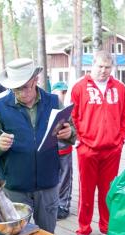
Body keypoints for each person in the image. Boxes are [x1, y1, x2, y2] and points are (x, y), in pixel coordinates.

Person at [0, 58, 76, 233]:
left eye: (25, 86)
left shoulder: (54, 101)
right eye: (16, 89)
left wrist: (69, 134)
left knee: (46, 233)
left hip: (48, 185)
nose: (21, 93)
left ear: (35, 80)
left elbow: (71, 131)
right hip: (14, 186)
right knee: (15, 234)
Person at [71, 50, 125, 235]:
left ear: (112, 68)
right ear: (92, 65)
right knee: (86, 192)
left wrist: (121, 138)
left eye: (107, 67)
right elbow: (71, 116)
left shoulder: (120, 88)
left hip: (112, 150)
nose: (103, 71)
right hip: (87, 149)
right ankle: (83, 229)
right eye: (100, 66)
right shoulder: (79, 87)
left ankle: (106, 227)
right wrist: (78, 140)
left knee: (108, 192)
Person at [51, 81, 73, 220]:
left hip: (65, 149)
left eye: (64, 92)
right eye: (60, 92)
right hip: (51, 151)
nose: (62, 95)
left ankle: (64, 205)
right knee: (53, 178)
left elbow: (73, 128)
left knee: (65, 178)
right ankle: (53, 204)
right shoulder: (48, 106)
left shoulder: (67, 109)